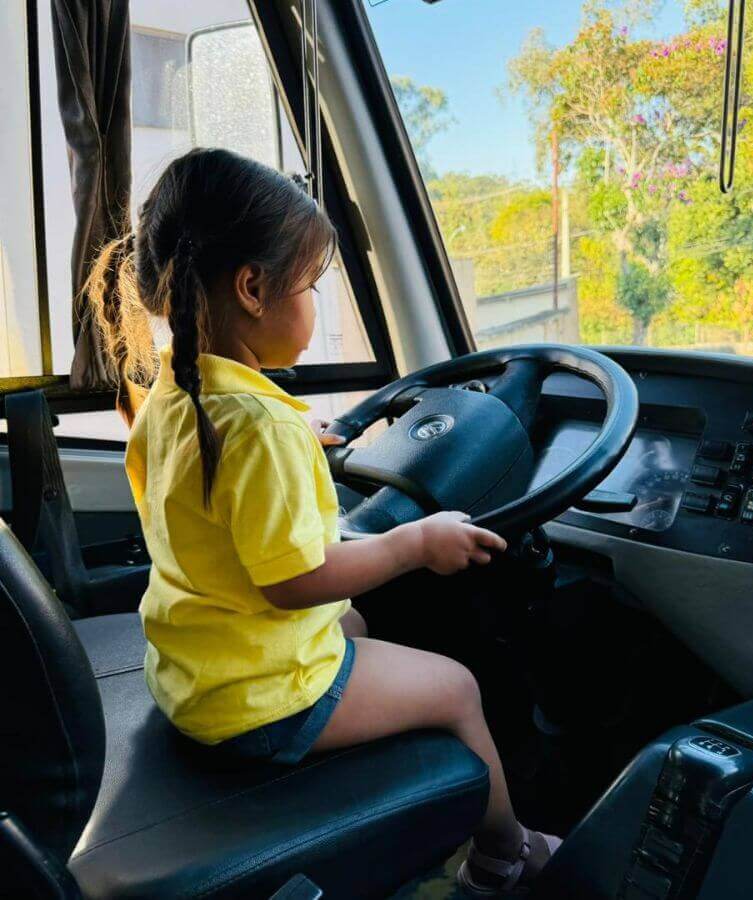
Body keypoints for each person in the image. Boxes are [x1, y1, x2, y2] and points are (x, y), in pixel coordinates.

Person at [87, 147, 557, 893]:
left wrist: (290, 444)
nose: (314, 303)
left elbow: (198, 516)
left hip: (195, 672)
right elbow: (298, 581)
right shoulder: (258, 428)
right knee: (457, 686)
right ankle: (507, 853)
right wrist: (413, 543)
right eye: (309, 285)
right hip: (255, 700)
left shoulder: (175, 401)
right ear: (252, 288)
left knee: (360, 626)